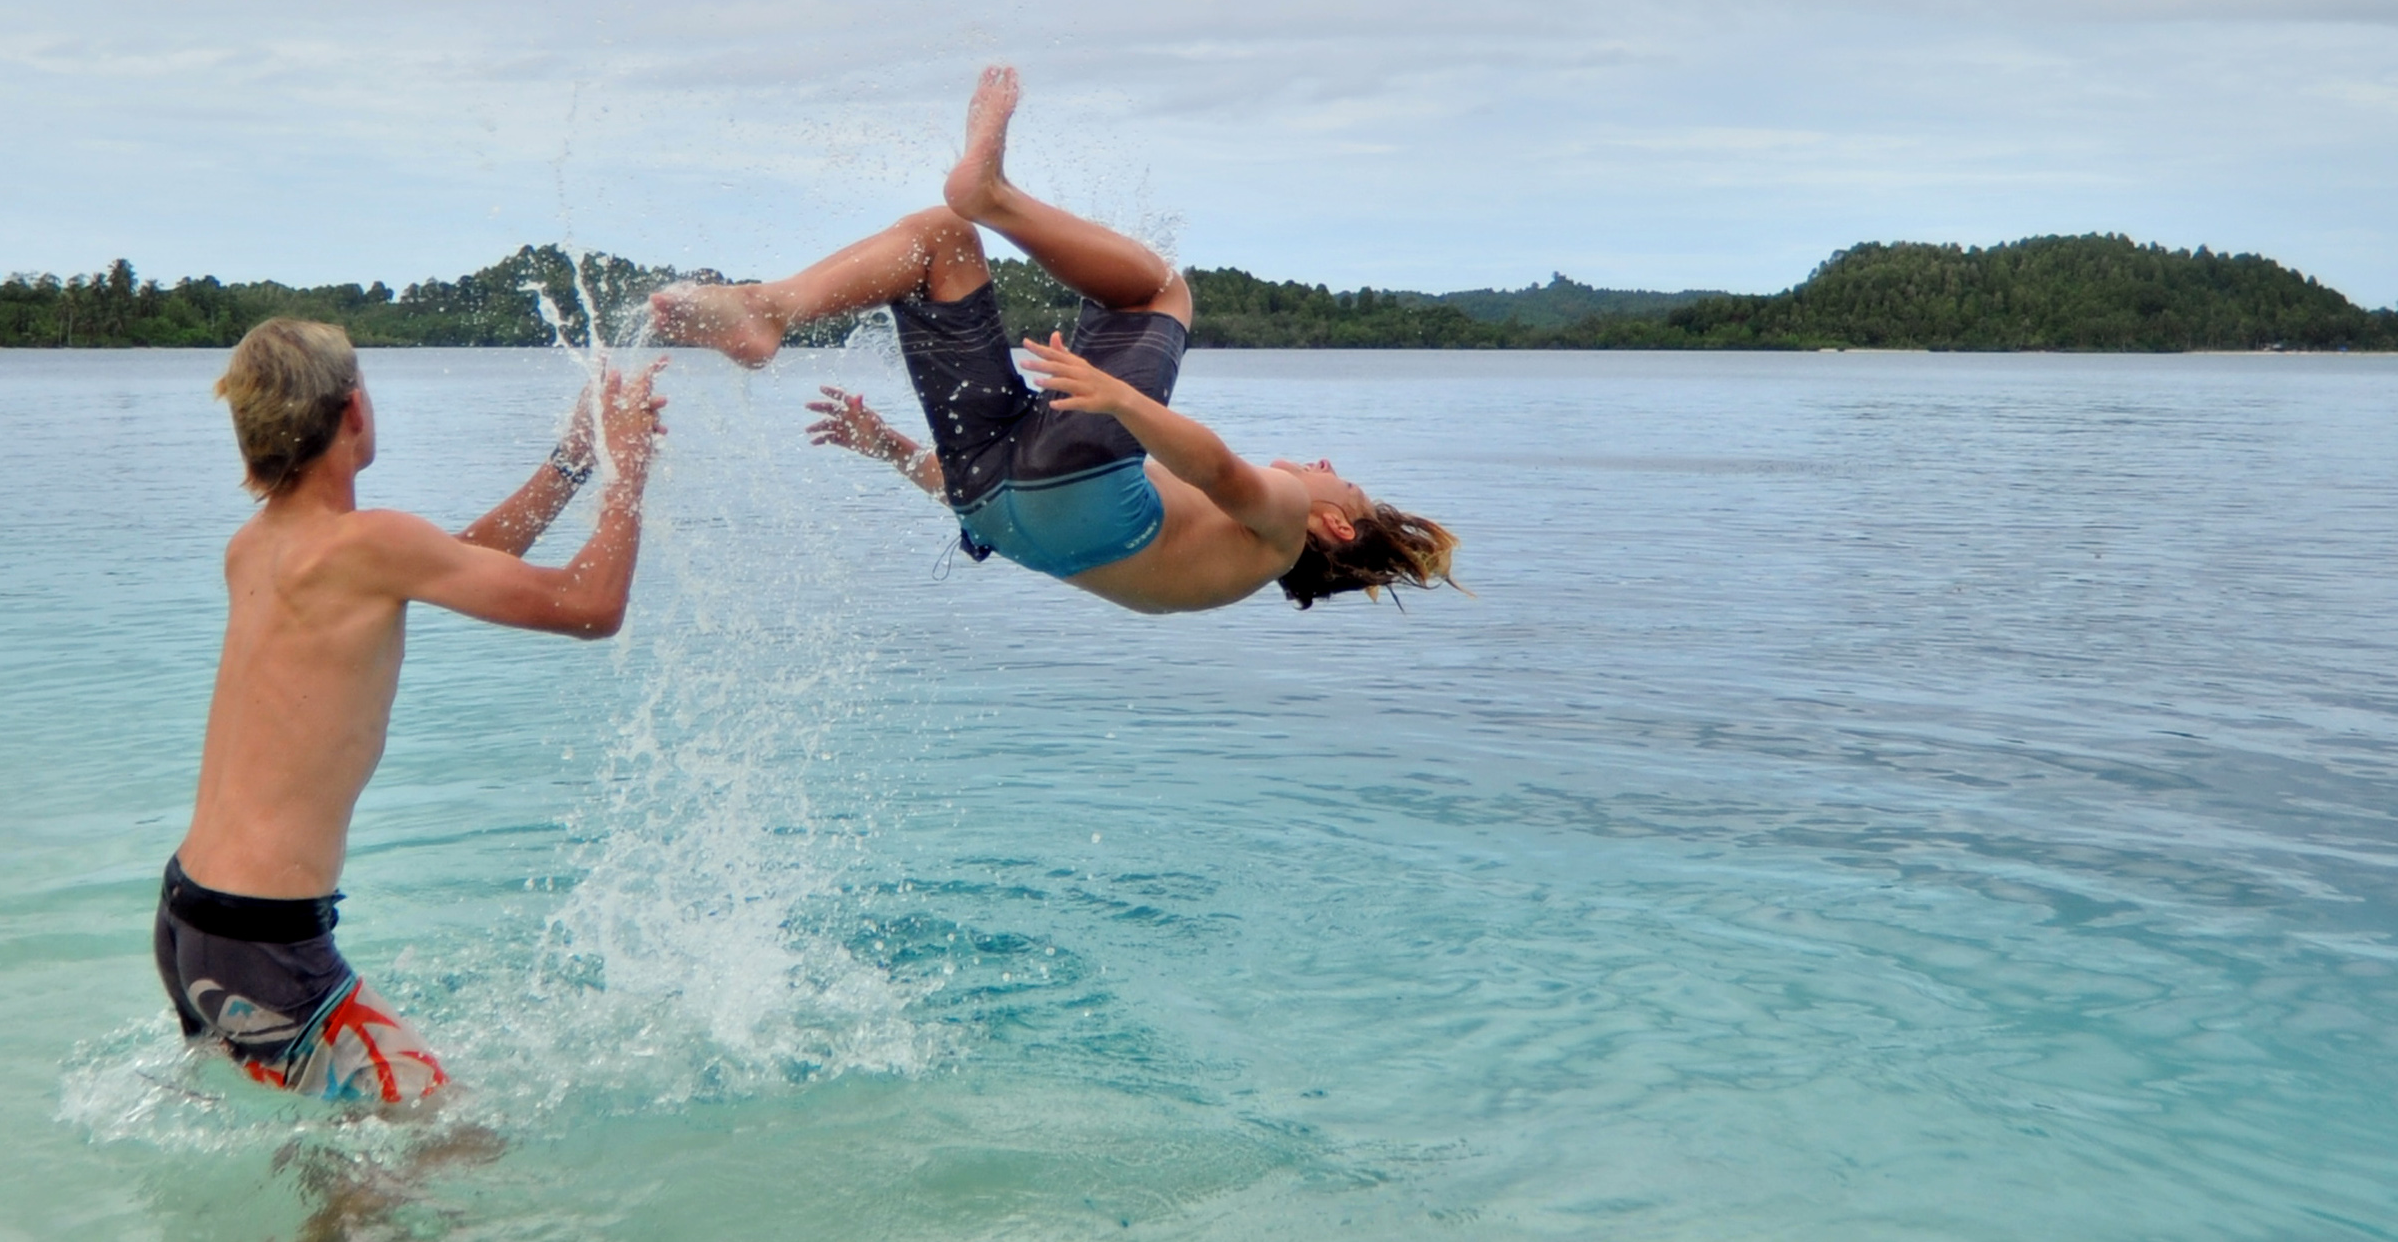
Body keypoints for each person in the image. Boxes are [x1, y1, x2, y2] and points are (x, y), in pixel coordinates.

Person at [650, 66, 1455, 614]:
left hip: (1085, 487)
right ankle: (767, 310)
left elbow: (1213, 467)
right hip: (996, 499)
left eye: (1342, 482)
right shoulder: (1225, 563)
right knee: (937, 243)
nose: (1323, 467)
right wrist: (886, 446)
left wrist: (1121, 401)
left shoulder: (1281, 524)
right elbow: (1018, 501)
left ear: (1334, 526)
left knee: (1161, 290)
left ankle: (993, 196)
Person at [157, 320, 668, 1106]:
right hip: (263, 942)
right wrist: (627, 472)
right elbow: (591, 606)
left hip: (191, 920)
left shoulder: (257, 546)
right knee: (448, 1137)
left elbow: (454, 560)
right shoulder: (370, 546)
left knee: (352, 1138)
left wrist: (573, 460)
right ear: (354, 410)